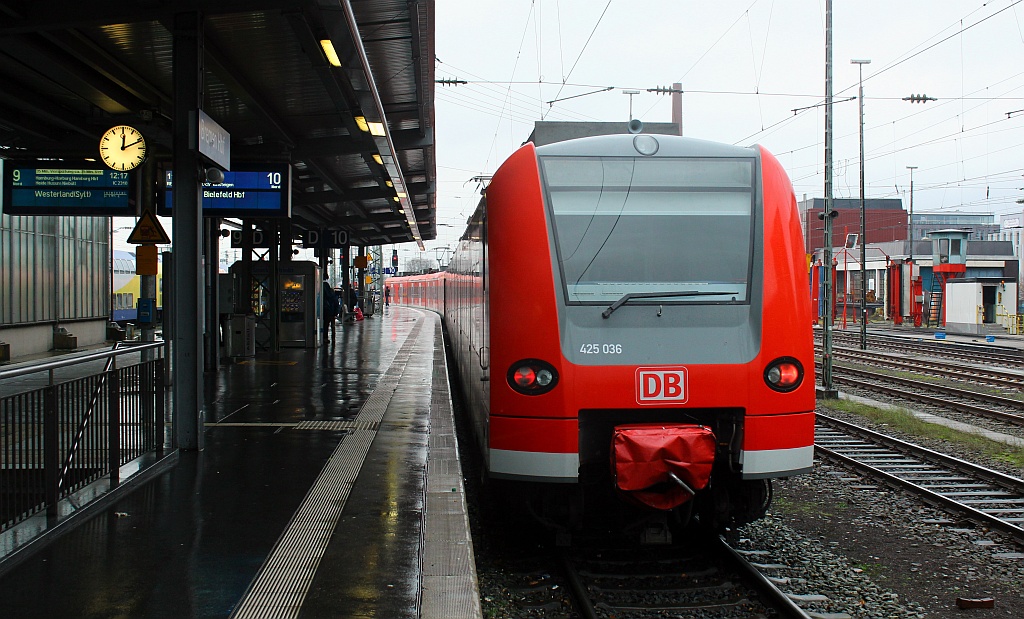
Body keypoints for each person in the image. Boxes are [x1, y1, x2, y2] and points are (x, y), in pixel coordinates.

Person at [322, 277, 338, 342]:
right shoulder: (332, 294)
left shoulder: (322, 295)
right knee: (331, 325)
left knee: (325, 325)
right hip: (331, 312)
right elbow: (336, 303)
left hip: (325, 310)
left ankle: (324, 337)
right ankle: (333, 337)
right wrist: (335, 312)